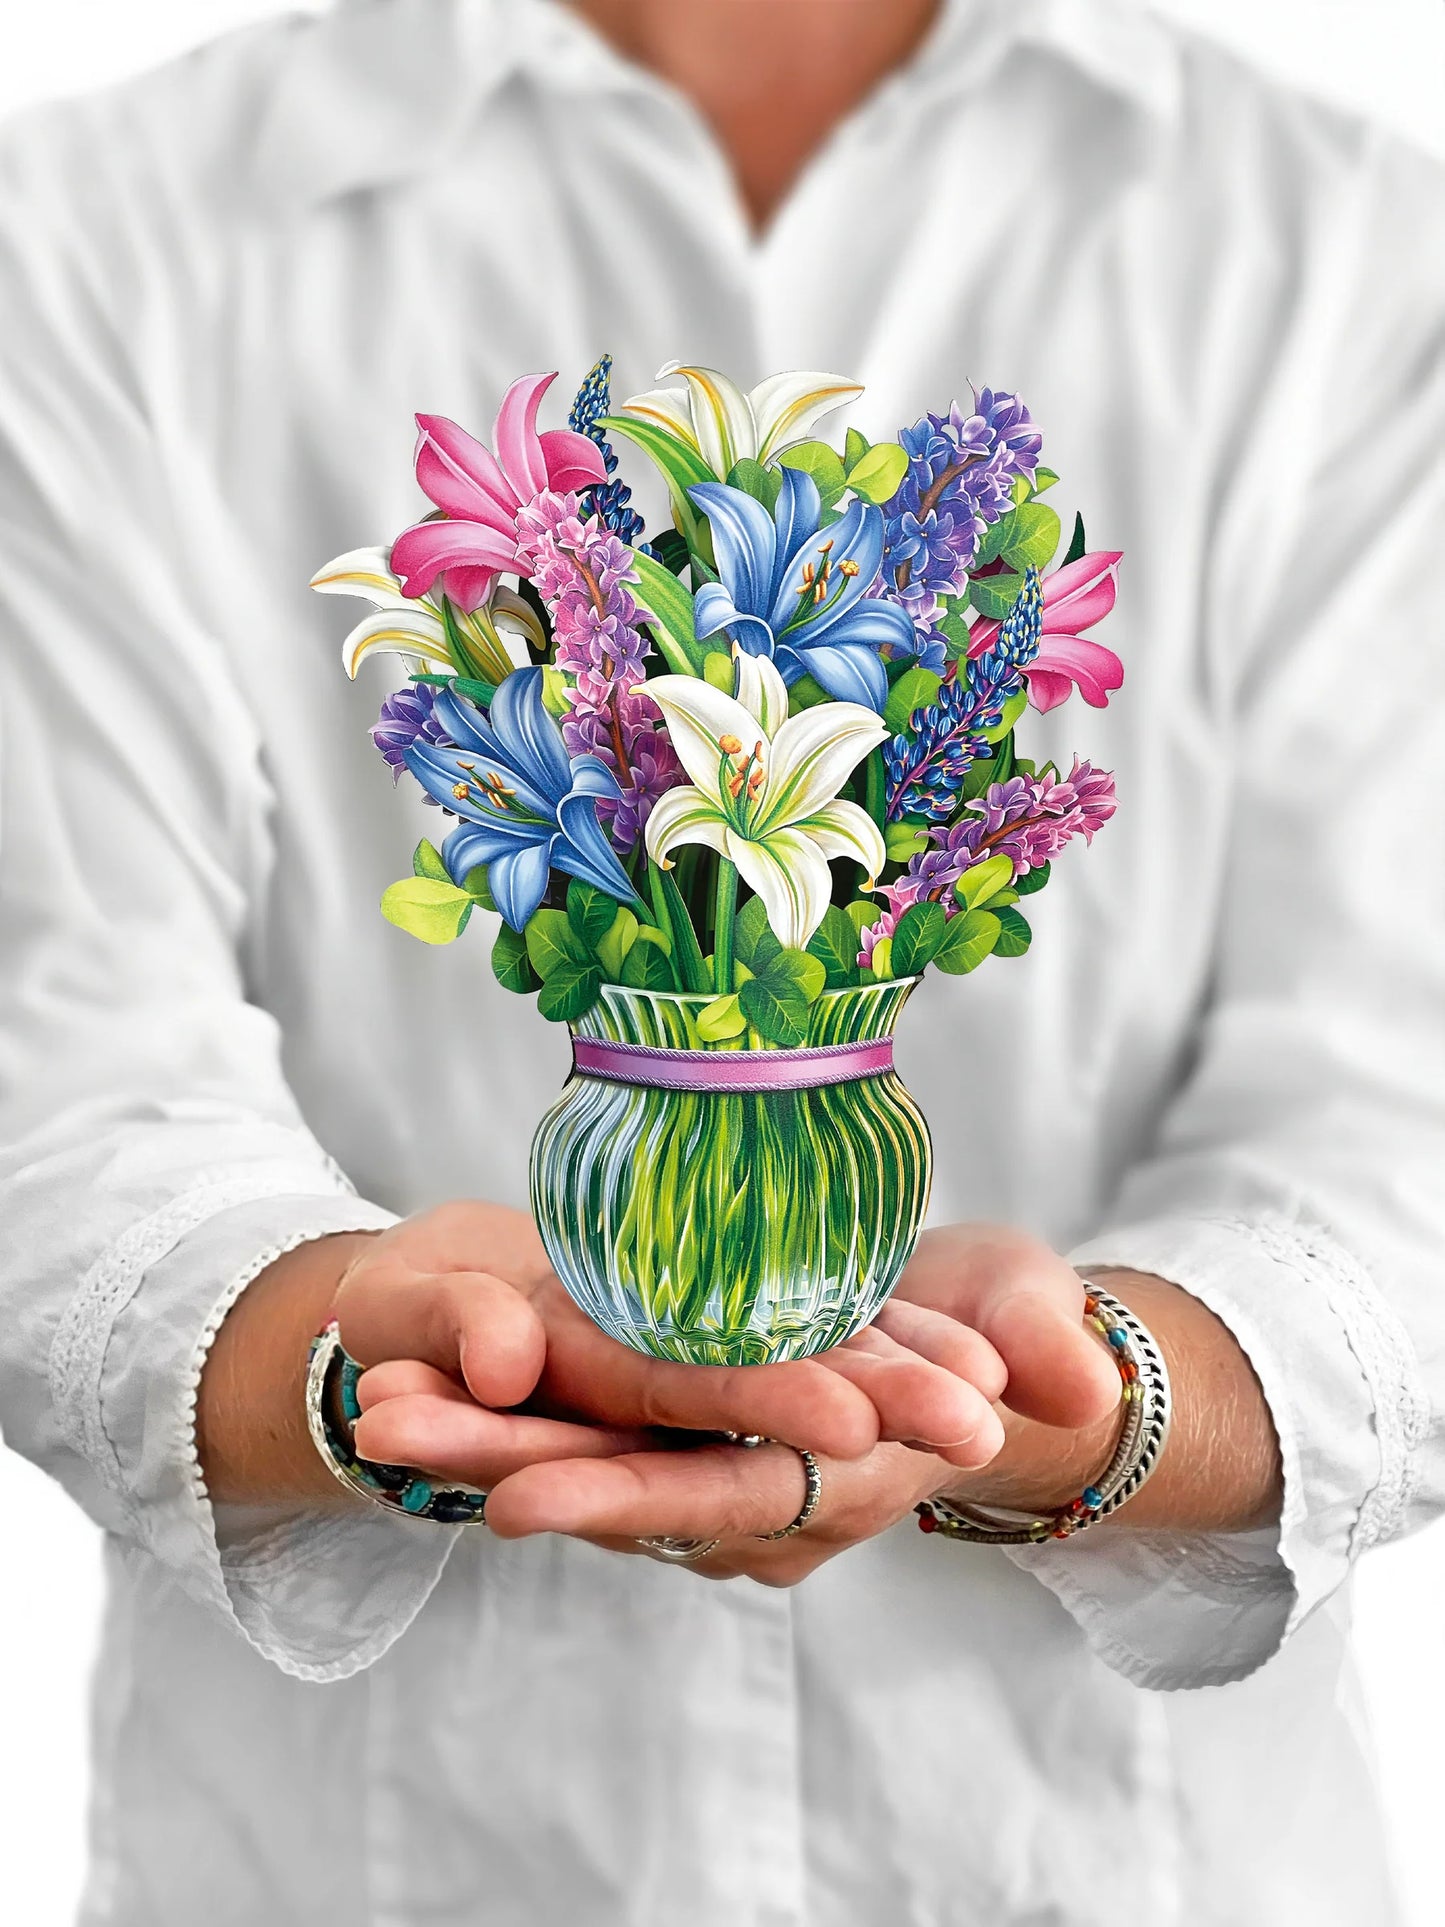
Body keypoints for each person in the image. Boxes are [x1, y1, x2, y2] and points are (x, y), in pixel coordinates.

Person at [0, 0, 1442, 1920]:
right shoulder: (90, 227)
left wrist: (1104, 1406)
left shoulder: (1348, 248)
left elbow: (1402, 1098)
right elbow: (52, 1071)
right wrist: (346, 1364)